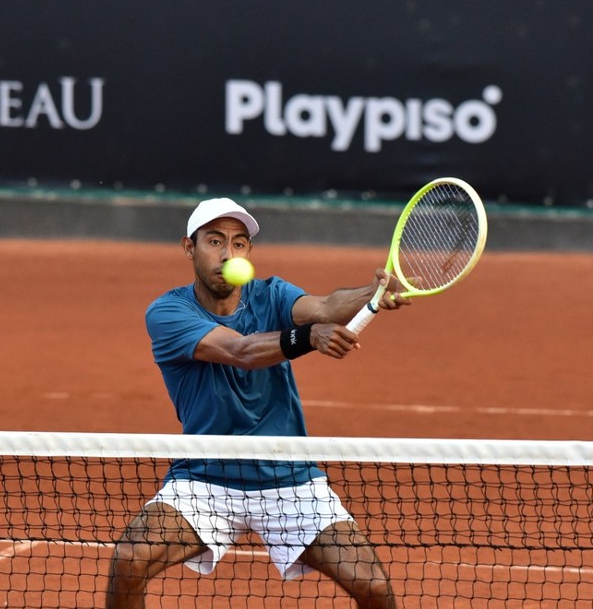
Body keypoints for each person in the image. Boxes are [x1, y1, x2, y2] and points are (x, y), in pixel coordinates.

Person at [105, 198, 404, 608]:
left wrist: (374, 291)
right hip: (204, 479)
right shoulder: (168, 313)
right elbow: (240, 351)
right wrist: (308, 337)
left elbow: (324, 307)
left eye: (239, 243)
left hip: (289, 480)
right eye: (214, 241)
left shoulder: (273, 295)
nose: (228, 254)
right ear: (188, 247)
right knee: (130, 558)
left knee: (371, 585)